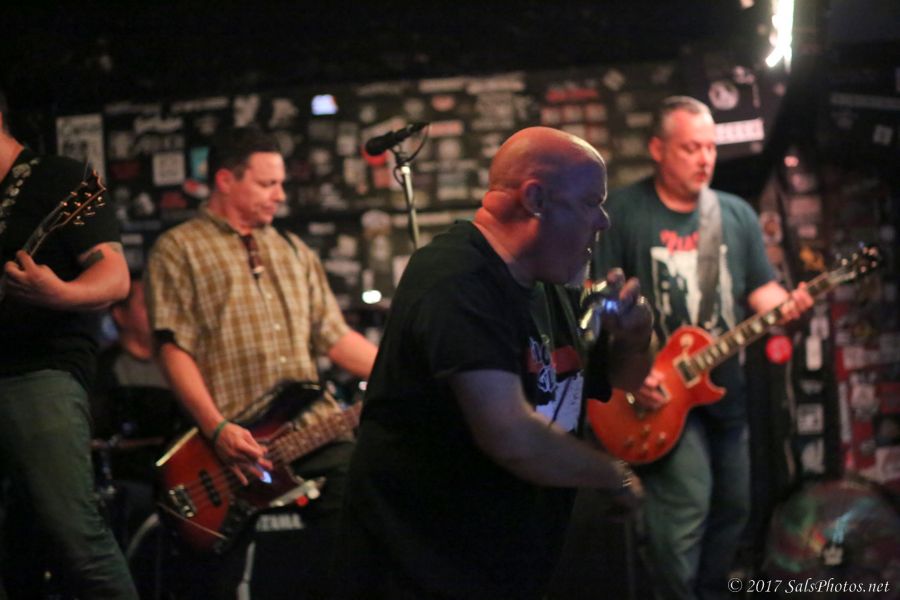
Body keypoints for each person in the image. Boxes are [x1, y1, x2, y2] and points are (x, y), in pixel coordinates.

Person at [336, 126, 654, 599]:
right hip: (424, 571)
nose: (603, 221)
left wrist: (636, 335)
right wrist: (614, 476)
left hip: (500, 565)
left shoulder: (548, 282)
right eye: (591, 202)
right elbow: (509, 435)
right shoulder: (456, 278)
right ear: (536, 199)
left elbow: (622, 380)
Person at [593, 96, 814, 600]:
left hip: (722, 389)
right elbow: (599, 302)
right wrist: (627, 371)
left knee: (734, 508)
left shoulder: (734, 214)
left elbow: (762, 293)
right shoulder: (623, 212)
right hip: (656, 394)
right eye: (690, 147)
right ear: (657, 149)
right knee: (687, 506)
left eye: (710, 147)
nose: (704, 159)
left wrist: (794, 304)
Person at [145, 126, 378, 599]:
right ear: (225, 180)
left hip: (309, 429)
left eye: (281, 183)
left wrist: (401, 369)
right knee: (213, 581)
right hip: (230, 445)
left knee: (365, 491)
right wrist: (217, 429)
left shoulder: (294, 250)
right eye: (267, 183)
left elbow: (335, 338)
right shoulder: (179, 248)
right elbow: (173, 349)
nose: (280, 195)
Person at [0, 88, 138, 598]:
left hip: (38, 371)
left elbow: (114, 276)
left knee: (75, 537)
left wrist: (57, 293)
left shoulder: (61, 178)